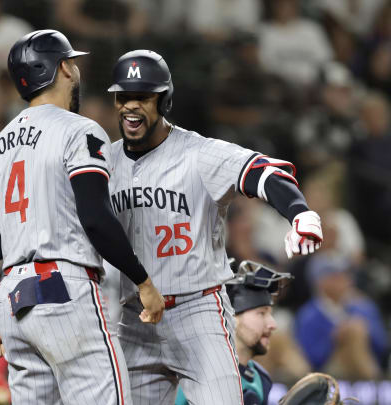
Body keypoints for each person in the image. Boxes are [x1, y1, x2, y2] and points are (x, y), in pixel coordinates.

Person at [0, 29, 165, 405]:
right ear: (65, 68)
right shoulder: (78, 129)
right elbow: (96, 218)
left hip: (14, 302)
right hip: (65, 288)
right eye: (74, 63)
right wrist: (143, 282)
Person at [105, 49, 323, 404]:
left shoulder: (199, 153)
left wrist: (299, 213)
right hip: (135, 318)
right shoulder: (105, 161)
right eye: (123, 96)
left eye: (142, 97)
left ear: (164, 100)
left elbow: (262, 172)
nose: (131, 106)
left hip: (197, 311)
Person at [176, 260, 292, 405]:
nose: (272, 324)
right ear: (231, 319)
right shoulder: (201, 374)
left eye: (270, 313)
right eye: (261, 313)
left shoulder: (261, 378)